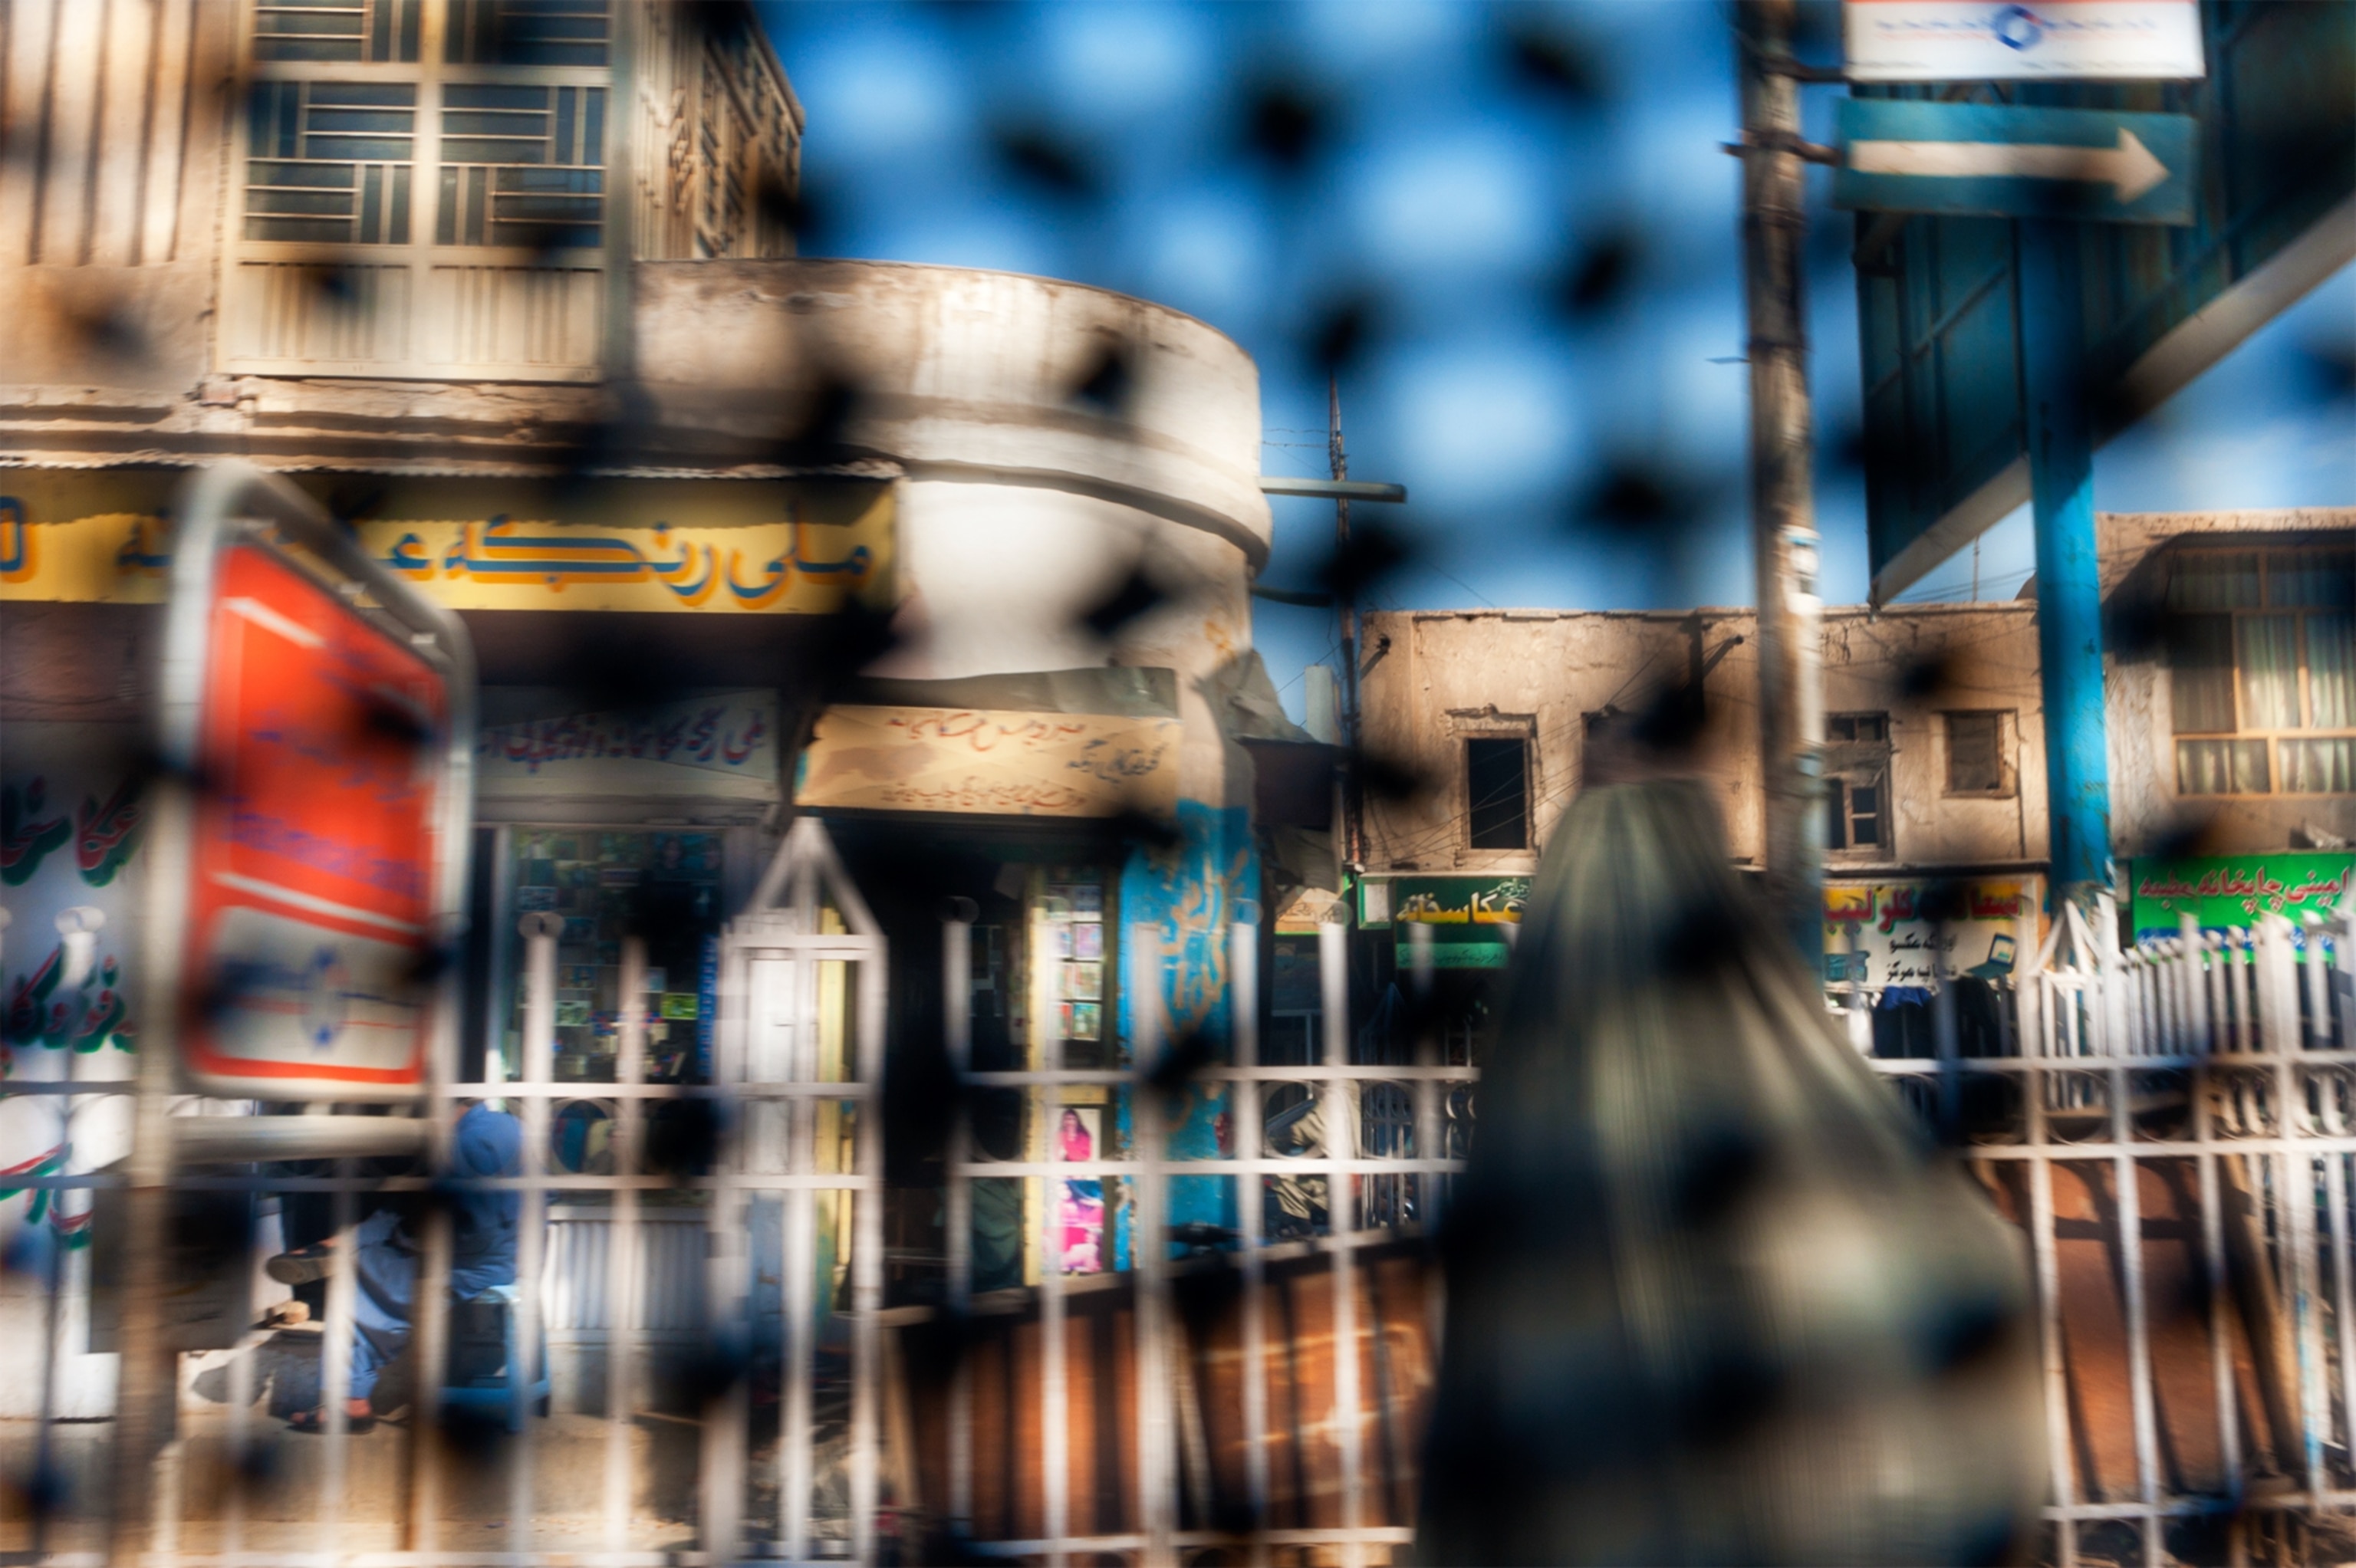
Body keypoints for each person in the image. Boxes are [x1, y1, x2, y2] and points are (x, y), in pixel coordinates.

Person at [269, 1102, 522, 1433]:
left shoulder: (467, 1144)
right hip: (510, 1252)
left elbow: (474, 1233)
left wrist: (404, 1239)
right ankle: (343, 1242)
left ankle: (350, 1401)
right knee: (390, 1226)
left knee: (363, 1273)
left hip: (480, 1263)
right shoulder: (507, 1126)